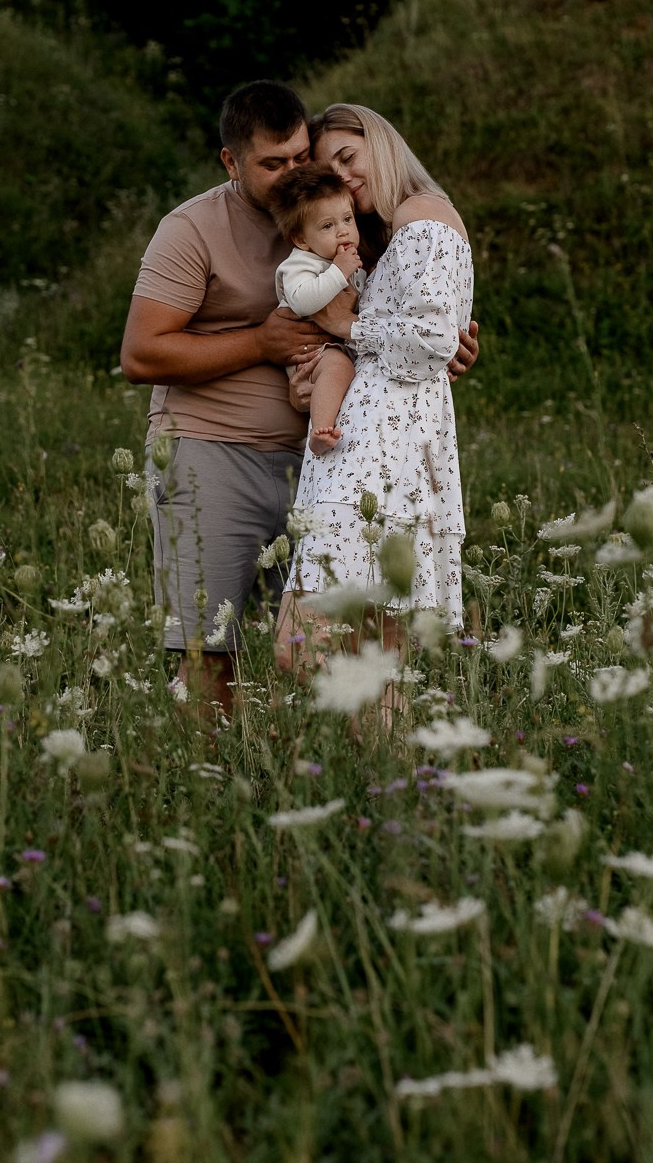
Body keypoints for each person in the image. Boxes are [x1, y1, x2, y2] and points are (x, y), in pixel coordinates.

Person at [121, 80, 478, 716]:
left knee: (329, 640)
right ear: (231, 162)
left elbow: (402, 318)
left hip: (326, 465)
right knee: (209, 645)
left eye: (300, 157)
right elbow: (141, 355)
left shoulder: (351, 223)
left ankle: (314, 777)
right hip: (214, 454)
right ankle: (209, 782)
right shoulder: (192, 229)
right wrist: (260, 342)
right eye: (272, 164)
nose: (294, 174)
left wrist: (451, 347)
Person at [276, 102, 473, 665]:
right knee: (378, 654)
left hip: (377, 454)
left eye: (348, 156)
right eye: (330, 171)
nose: (344, 176)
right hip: (377, 446)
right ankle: (391, 756)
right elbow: (433, 335)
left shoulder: (421, 213)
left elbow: (432, 341)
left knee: (302, 646)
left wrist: (346, 324)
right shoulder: (388, 234)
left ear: (381, 142)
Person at [269, 162, 364, 457]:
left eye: (347, 219)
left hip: (335, 346)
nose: (342, 232)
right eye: (327, 226)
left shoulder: (348, 259)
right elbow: (302, 300)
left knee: (347, 369)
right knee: (338, 366)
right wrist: (338, 272)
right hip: (311, 353)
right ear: (301, 239)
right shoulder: (301, 263)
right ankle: (320, 431)